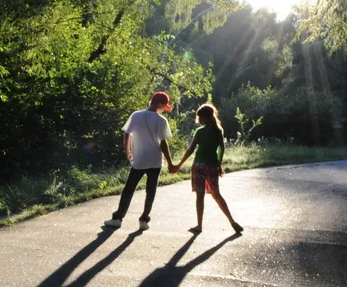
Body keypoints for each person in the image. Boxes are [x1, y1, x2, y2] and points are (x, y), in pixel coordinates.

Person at [104, 91, 174, 231]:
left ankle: (117, 218)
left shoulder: (136, 115)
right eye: (163, 106)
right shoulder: (161, 121)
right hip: (155, 160)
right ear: (159, 104)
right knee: (151, 191)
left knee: (129, 188)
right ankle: (144, 220)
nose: (163, 109)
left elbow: (127, 134)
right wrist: (170, 162)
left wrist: (128, 151)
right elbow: (163, 143)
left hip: (140, 159)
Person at [170, 103, 243, 235]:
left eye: (200, 117)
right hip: (211, 166)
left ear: (204, 118)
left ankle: (199, 225)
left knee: (200, 196)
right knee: (216, 194)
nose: (199, 120)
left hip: (198, 166)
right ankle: (232, 221)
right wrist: (218, 164)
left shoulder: (200, 132)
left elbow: (190, 150)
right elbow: (221, 148)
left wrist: (179, 164)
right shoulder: (218, 131)